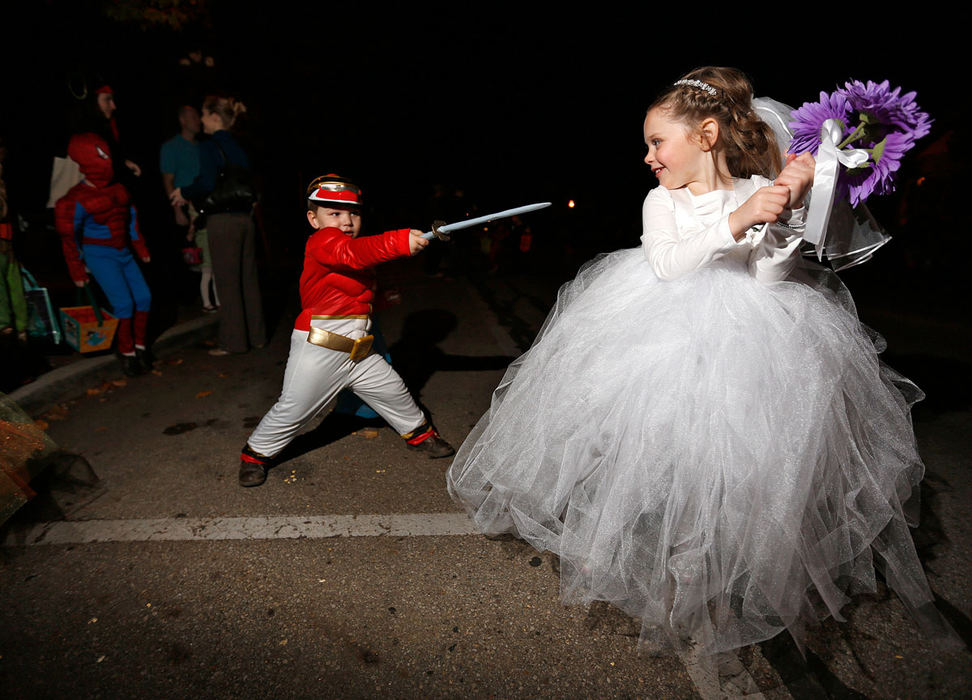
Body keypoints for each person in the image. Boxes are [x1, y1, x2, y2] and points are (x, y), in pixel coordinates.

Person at [446, 67, 953, 656]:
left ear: (706, 134)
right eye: (648, 145)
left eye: (657, 142)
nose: (649, 156)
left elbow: (766, 276)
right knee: (659, 454)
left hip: (749, 342)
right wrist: (737, 221)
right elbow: (668, 263)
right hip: (661, 340)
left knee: (738, 461)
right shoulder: (661, 200)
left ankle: (722, 568)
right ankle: (661, 557)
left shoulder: (750, 189)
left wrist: (782, 215)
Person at [238, 174, 455, 487]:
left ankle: (422, 436)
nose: (346, 221)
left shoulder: (348, 248)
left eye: (353, 213)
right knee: (293, 409)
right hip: (321, 348)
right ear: (314, 219)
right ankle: (254, 456)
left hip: (360, 352)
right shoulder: (322, 242)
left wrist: (379, 299)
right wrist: (399, 241)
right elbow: (352, 255)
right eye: (334, 213)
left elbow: (348, 293)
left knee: (395, 392)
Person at [170, 95, 263, 354]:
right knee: (248, 280)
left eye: (203, 114)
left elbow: (207, 183)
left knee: (227, 282)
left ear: (214, 117)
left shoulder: (208, 146)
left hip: (223, 220)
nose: (200, 120)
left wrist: (183, 191)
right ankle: (257, 336)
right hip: (245, 219)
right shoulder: (240, 146)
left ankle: (233, 342)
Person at [55, 132, 152, 376]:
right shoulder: (75, 200)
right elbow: (69, 238)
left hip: (123, 252)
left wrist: (140, 248)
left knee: (143, 298)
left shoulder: (119, 189)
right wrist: (77, 269)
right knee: (124, 304)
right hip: (100, 254)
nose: (106, 161)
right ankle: (126, 351)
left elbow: (130, 218)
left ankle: (140, 347)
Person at [160, 105, 218, 312]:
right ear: (182, 120)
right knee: (189, 253)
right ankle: (191, 300)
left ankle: (210, 299)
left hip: (205, 206)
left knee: (208, 254)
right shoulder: (171, 147)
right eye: (193, 117)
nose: (197, 121)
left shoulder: (203, 146)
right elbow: (168, 180)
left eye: (197, 116)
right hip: (185, 205)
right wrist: (176, 210)